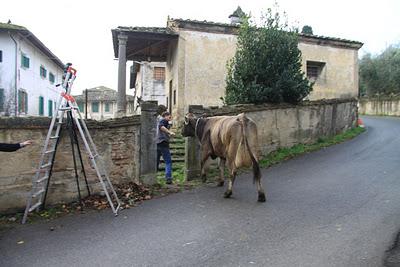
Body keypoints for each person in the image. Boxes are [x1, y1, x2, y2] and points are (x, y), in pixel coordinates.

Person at [157, 111, 175, 184]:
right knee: (168, 161)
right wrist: (169, 132)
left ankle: (153, 178)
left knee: (156, 162)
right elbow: (161, 127)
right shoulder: (163, 120)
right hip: (163, 143)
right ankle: (168, 178)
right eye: (169, 117)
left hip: (157, 143)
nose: (170, 119)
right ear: (165, 116)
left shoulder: (164, 122)